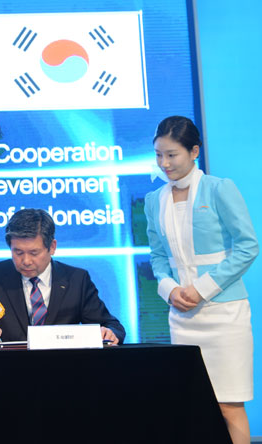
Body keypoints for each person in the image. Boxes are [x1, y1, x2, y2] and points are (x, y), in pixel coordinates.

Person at [145, 116, 257, 444]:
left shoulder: (220, 189)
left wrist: (202, 289)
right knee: (192, 402)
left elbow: (248, 245)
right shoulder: (155, 200)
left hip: (224, 314)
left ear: (194, 151)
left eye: (172, 155)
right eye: (158, 155)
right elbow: (156, 256)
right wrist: (170, 290)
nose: (164, 163)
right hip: (182, 315)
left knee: (228, 405)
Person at [0, 208, 125, 345]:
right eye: (18, 252)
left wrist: (109, 333)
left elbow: (111, 326)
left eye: (34, 253)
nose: (26, 261)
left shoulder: (77, 280)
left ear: (52, 247)